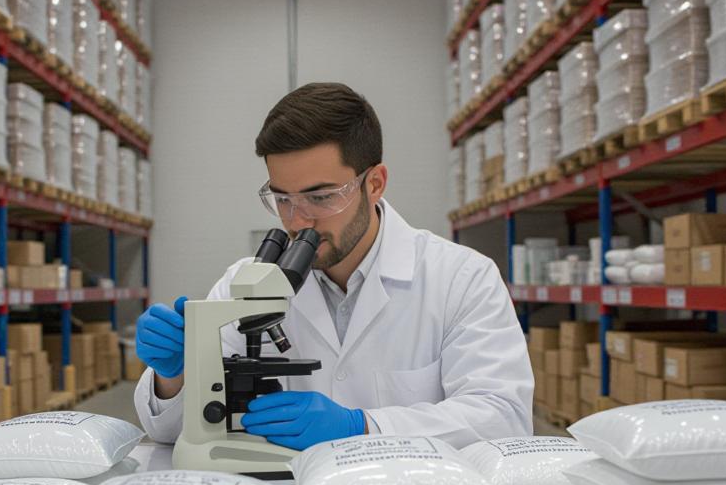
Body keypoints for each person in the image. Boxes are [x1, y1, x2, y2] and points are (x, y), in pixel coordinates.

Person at [133, 82, 533, 450]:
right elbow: (170, 431)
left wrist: (362, 427)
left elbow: (504, 418)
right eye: (283, 199)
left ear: (374, 183)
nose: (298, 221)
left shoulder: (462, 278)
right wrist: (174, 376)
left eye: (321, 197)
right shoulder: (246, 282)